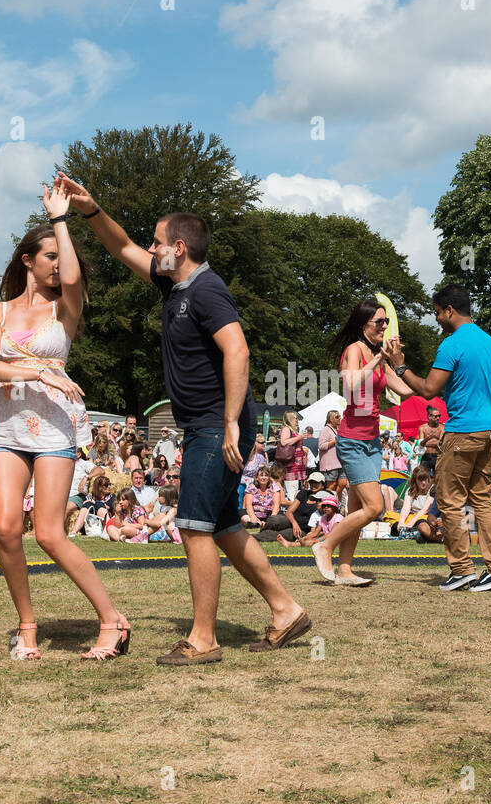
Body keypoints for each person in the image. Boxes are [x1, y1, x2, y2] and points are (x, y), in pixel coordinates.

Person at [58, 170, 309, 664]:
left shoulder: (207, 290)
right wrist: (89, 209)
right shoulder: (175, 286)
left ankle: (203, 638)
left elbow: (238, 350)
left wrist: (232, 423)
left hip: (216, 426)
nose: (151, 251)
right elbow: (123, 246)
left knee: (193, 528)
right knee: (221, 527)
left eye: (158, 243)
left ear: (178, 246)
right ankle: (286, 611)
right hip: (208, 425)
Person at [0, 180, 130, 662]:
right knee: (3, 528)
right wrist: (39, 369)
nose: (58, 266)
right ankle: (27, 625)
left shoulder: (66, 307)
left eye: (61, 259)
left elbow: (76, 276)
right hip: (9, 427)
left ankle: (112, 620)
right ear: (27, 261)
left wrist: (62, 219)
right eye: (49, 258)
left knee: (49, 533)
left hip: (56, 426)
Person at [383, 285, 491, 593]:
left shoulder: (451, 344)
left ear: (449, 310)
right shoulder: (489, 342)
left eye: (438, 312)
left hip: (463, 431)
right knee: (481, 498)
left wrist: (400, 365)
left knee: (449, 500)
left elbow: (429, 389)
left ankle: (462, 569)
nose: (437, 318)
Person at [311, 299, 415, 586]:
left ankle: (344, 571)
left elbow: (405, 389)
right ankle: (324, 546)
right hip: (351, 440)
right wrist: (379, 359)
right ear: (363, 325)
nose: (384, 326)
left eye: (385, 322)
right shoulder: (355, 351)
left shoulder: (376, 356)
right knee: (373, 508)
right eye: (378, 322)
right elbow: (352, 384)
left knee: (357, 510)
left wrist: (430, 380)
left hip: (372, 442)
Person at [277, 472, 326, 545]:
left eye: (316, 483)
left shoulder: (326, 497)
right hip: (293, 521)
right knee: (275, 520)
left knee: (280, 534)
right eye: (311, 482)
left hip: (306, 530)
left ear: (323, 485)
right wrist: (294, 524)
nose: (313, 485)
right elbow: (289, 512)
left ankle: (256, 537)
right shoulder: (303, 493)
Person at [275, 411, 306, 500]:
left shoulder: (292, 429)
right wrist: (299, 437)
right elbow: (283, 442)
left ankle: (292, 509)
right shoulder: (286, 429)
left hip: (296, 464)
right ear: (290, 418)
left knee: (295, 488)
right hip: (291, 463)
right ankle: (291, 510)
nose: (297, 420)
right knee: (291, 489)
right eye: (295, 418)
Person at [317, 409, 343, 493]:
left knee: (343, 483)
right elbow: (321, 446)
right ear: (331, 419)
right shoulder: (325, 430)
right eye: (337, 417)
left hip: (340, 463)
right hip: (330, 465)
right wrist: (335, 441)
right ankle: (329, 503)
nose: (339, 418)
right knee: (331, 486)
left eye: (339, 416)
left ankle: (334, 501)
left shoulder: (336, 430)